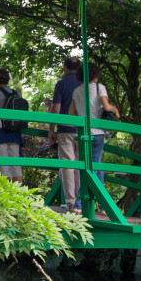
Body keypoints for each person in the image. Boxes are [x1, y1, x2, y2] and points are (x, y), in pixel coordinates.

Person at [69, 63, 120, 185]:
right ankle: (84, 201)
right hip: (97, 132)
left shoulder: (77, 91)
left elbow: (71, 114)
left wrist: (83, 116)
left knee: (89, 165)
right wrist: (116, 111)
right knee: (95, 166)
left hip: (82, 134)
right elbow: (107, 107)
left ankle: (96, 202)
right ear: (95, 75)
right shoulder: (99, 87)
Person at [48, 57, 82, 210]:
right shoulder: (85, 84)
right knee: (82, 165)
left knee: (68, 164)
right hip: (83, 129)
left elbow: (56, 108)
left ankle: (71, 201)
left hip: (65, 128)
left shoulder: (61, 84)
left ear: (65, 68)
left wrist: (51, 129)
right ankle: (81, 201)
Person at [0, 67, 23, 184]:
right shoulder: (15, 93)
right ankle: (18, 196)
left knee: (3, 167)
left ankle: (6, 196)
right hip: (14, 134)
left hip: (0, 133)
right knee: (16, 166)